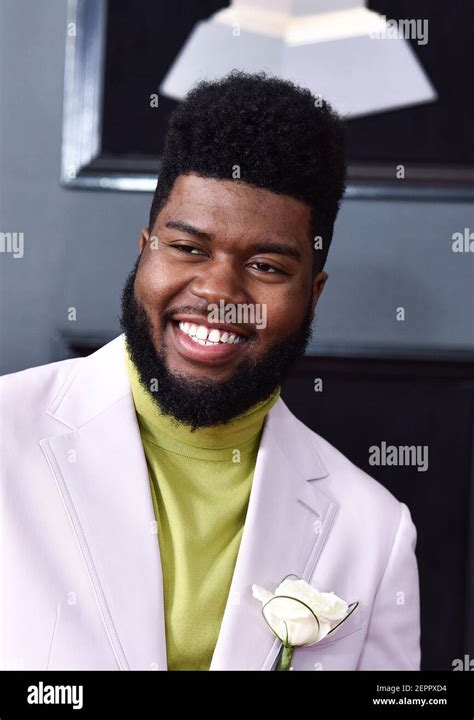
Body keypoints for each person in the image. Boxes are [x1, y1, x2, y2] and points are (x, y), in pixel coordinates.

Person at [0, 71, 420, 671]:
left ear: (314, 294)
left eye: (267, 266)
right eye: (188, 249)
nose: (220, 294)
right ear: (144, 248)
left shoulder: (373, 533)